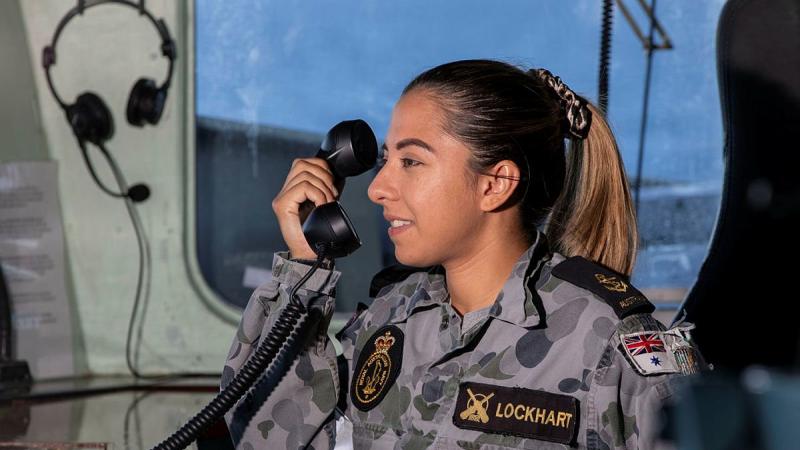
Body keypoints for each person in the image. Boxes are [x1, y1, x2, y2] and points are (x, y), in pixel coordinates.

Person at [222, 59, 707, 449]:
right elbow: (265, 437)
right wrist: (304, 268)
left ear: (494, 184)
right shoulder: (391, 318)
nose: (377, 189)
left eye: (411, 161)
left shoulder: (614, 339)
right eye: (387, 160)